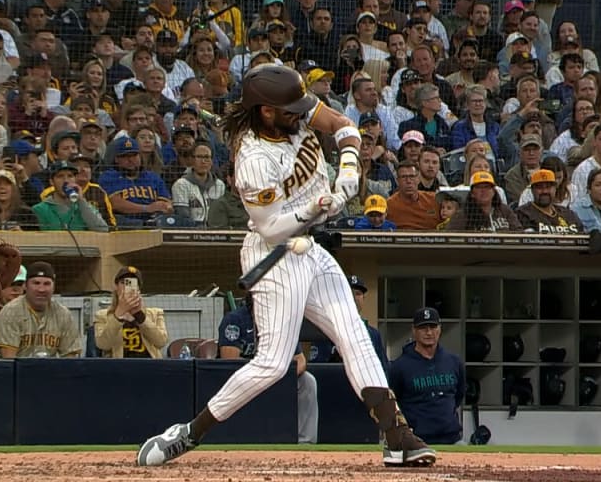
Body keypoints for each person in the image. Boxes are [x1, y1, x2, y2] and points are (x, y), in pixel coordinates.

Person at [137, 64, 435, 467]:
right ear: (265, 111)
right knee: (273, 364)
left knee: (356, 336)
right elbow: (272, 228)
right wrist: (316, 205)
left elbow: (343, 124)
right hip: (274, 254)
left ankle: (397, 436)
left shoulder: (290, 107)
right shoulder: (252, 158)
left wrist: (349, 164)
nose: (301, 113)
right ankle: (190, 433)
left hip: (310, 247)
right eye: (291, 109)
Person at [217, 293, 319, 444]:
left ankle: (305, 442)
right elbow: (229, 360)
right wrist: (262, 374)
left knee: (308, 381)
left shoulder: (283, 322)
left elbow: (300, 360)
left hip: (276, 376)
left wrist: (278, 374)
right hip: (243, 378)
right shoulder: (235, 319)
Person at [389, 307, 464, 445]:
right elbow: (393, 402)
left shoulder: (454, 362)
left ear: (439, 329)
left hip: (452, 439)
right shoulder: (399, 366)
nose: (429, 332)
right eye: (423, 328)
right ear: (414, 330)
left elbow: (458, 396)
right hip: (416, 440)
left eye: (432, 327)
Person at [0, 261, 83, 358]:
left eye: (47, 284)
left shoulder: (63, 314)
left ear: (53, 287)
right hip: (18, 371)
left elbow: (70, 360)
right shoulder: (11, 311)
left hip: (50, 371)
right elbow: (9, 361)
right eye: (36, 283)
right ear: (25, 286)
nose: (41, 289)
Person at [93, 266, 168, 359]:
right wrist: (117, 315)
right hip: (118, 368)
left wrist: (140, 316)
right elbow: (103, 344)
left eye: (132, 283)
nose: (126, 287)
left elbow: (161, 342)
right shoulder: (102, 316)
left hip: (149, 366)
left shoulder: (155, 313)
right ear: (116, 286)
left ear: (139, 289)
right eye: (123, 283)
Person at [32, 160, 109, 232]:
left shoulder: (84, 206)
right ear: (52, 181)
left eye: (70, 176)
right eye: (60, 176)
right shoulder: (40, 209)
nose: (66, 180)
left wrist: (81, 201)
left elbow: (103, 230)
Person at [515, 169, 584, 234]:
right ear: (532, 190)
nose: (544, 191)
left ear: (555, 189)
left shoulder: (568, 214)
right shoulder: (523, 214)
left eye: (548, 187)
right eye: (540, 187)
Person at [386, 161, 440, 230]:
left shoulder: (435, 200)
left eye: (412, 176)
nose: (408, 181)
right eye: (403, 177)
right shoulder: (389, 205)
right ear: (397, 181)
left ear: (418, 179)